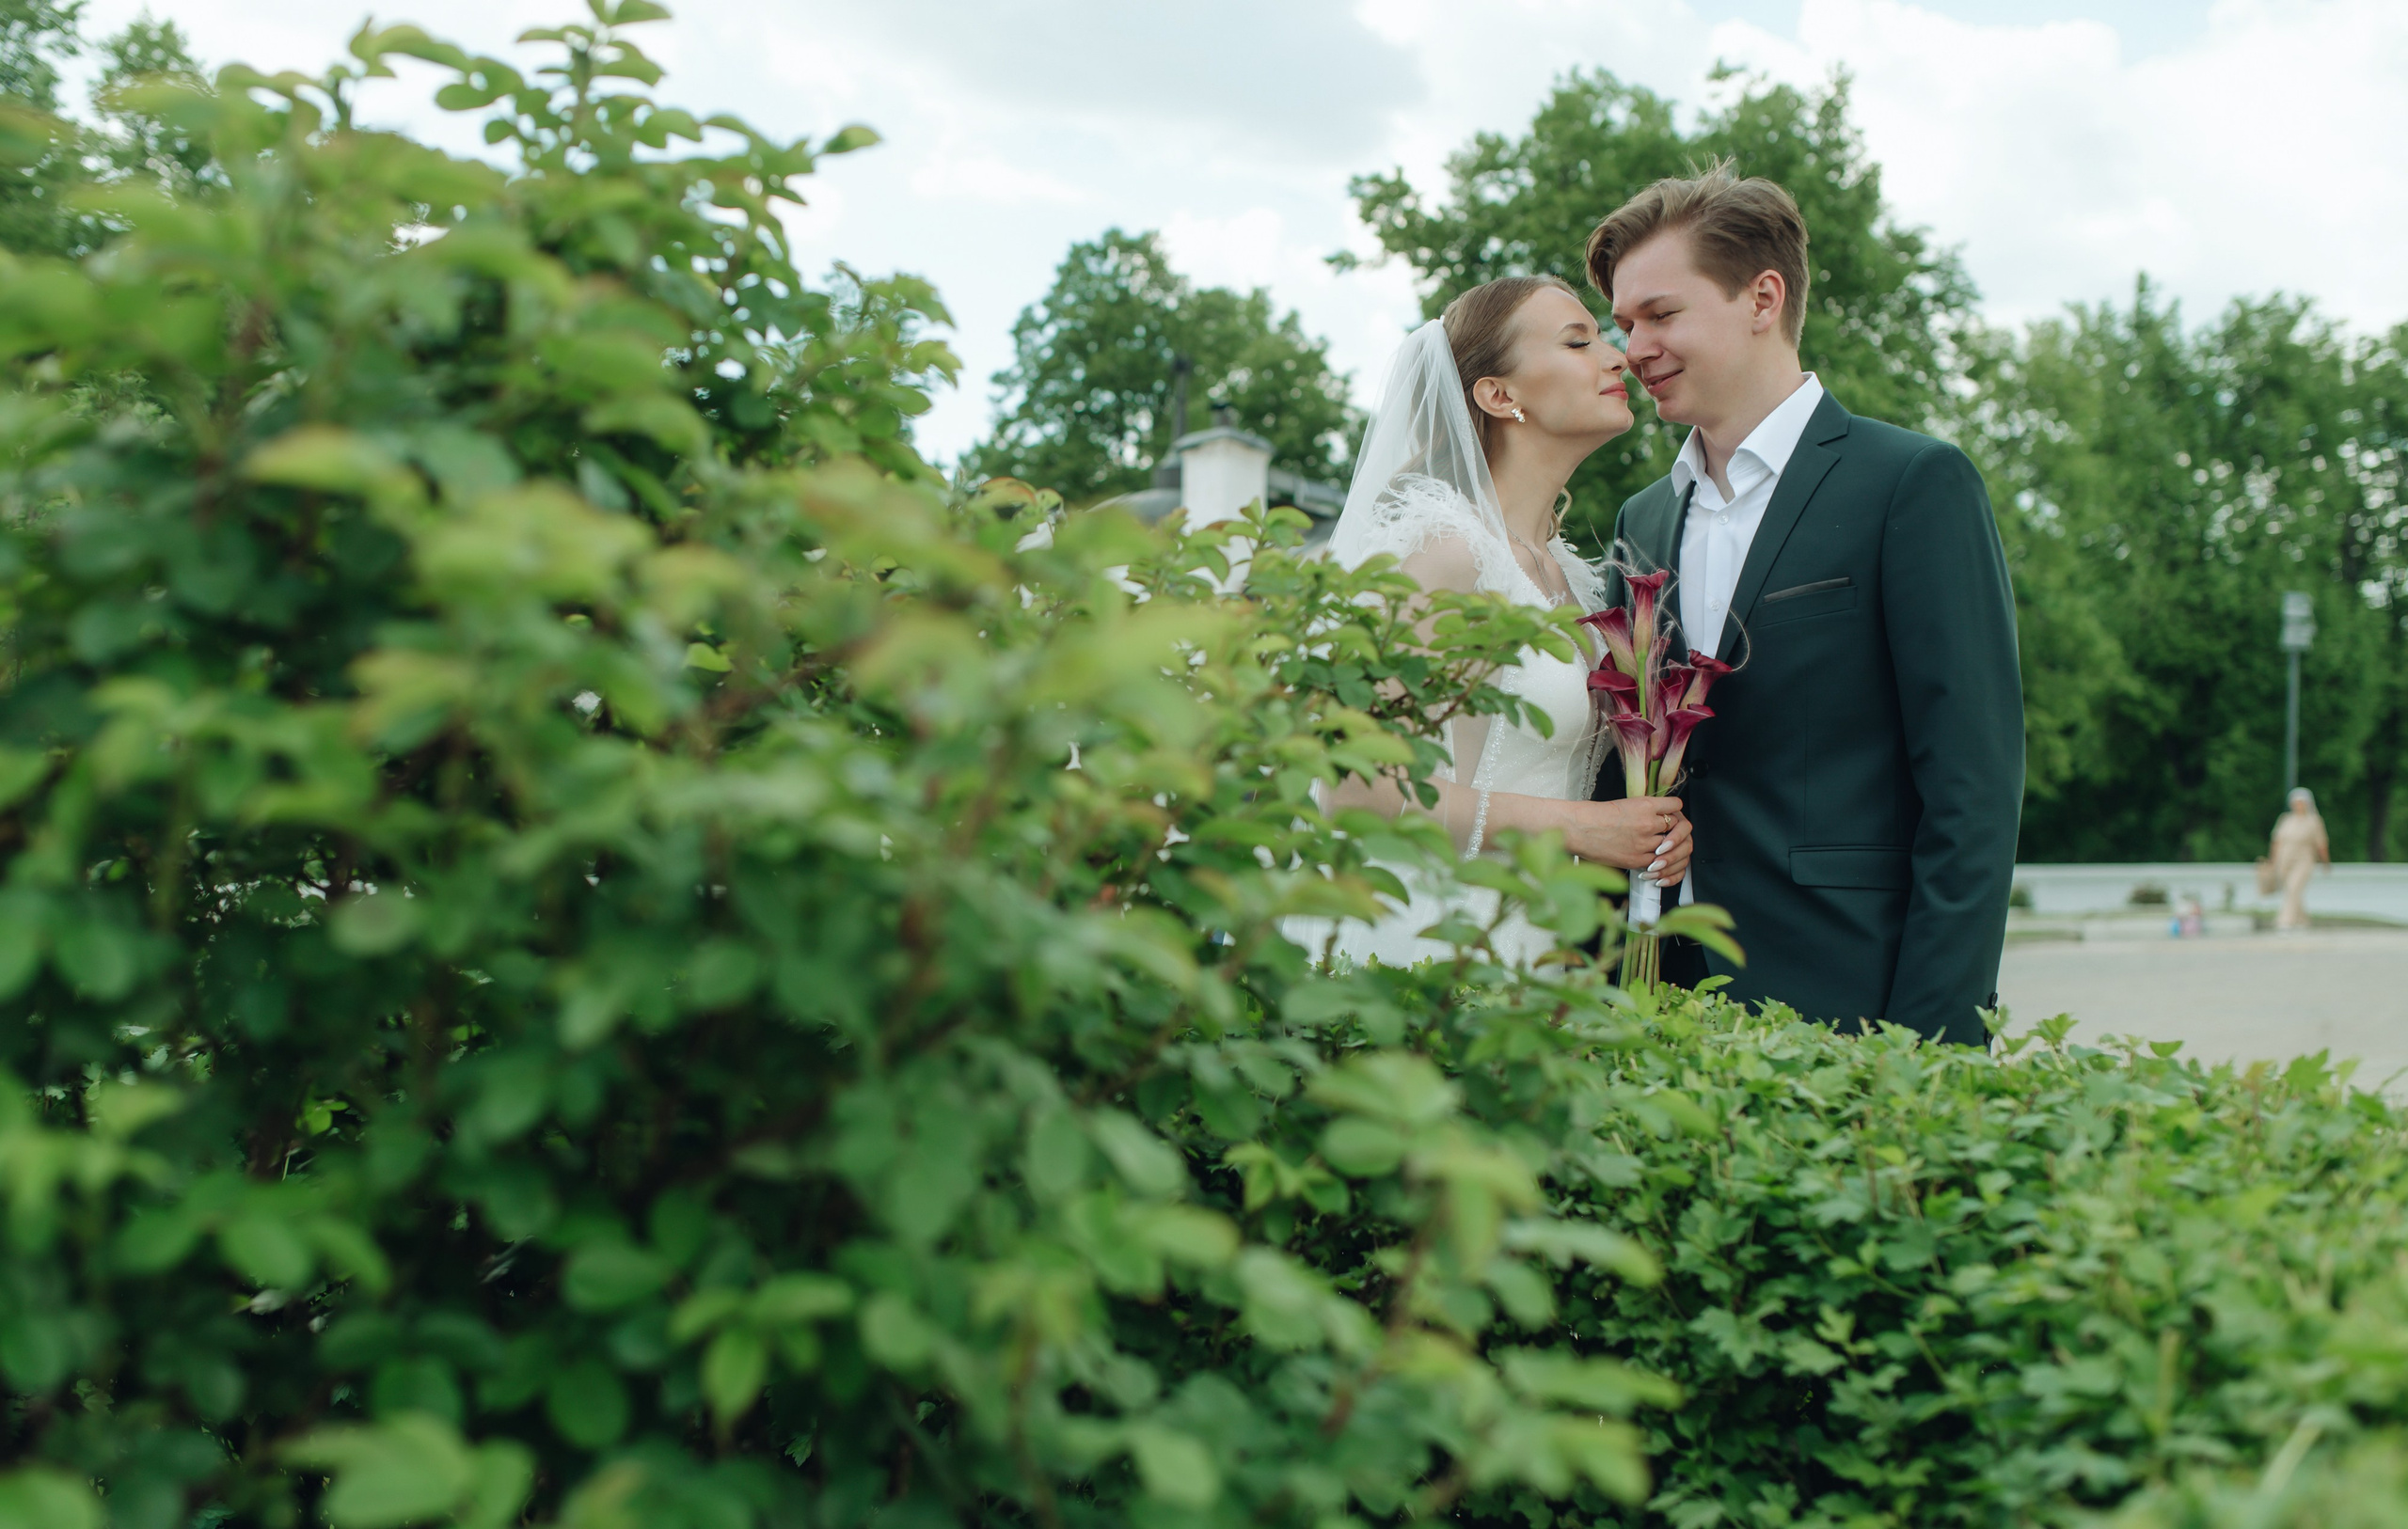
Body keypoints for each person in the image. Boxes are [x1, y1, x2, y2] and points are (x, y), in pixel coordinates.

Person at [1586, 164, 2024, 1046]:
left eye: (1661, 315)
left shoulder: (1910, 483)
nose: (1632, 349)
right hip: (1653, 997)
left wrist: (1931, 1047)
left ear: (1763, 297)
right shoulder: (1642, 518)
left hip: (1849, 995)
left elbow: (1972, 791)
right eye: (1624, 323)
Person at [1305, 277, 1692, 968]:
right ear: (1498, 395)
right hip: (1427, 948)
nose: (1617, 358)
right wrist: (1586, 828)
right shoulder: (1445, 555)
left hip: (1541, 953)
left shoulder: (1573, 579)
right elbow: (1357, 791)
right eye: (1579, 342)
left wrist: (1648, 829)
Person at [2269, 787, 2330, 932]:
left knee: (2293, 887)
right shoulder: (2285, 819)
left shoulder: (2314, 821)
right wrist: (2273, 860)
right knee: (2292, 891)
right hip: (2284, 860)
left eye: (2301, 802)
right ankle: (2302, 920)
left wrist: (2325, 863)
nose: (2298, 805)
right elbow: (2276, 841)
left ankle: (2285, 921)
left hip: (2304, 860)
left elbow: (2321, 844)